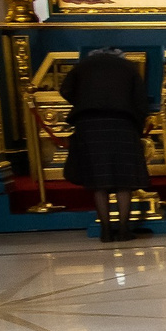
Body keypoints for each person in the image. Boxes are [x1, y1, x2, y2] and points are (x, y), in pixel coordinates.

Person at [60, 46, 157, 242]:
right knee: (124, 180)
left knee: (98, 180)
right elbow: (140, 100)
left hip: (89, 124)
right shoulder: (128, 67)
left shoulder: (82, 66)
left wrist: (83, 102)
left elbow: (65, 90)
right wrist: (138, 122)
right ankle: (123, 229)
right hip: (122, 123)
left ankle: (105, 230)